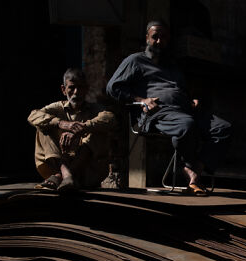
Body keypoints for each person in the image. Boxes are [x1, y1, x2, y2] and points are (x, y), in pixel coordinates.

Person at [106, 20, 231, 195]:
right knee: (187, 125)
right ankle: (189, 168)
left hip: (184, 110)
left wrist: (191, 99)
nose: (159, 41)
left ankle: (195, 168)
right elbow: (112, 87)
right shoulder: (135, 61)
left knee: (222, 128)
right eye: (155, 37)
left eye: (163, 37)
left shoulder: (172, 65)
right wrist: (142, 100)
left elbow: (179, 89)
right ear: (147, 38)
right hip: (157, 112)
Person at [28, 68, 116, 191]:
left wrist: (83, 128)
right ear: (64, 90)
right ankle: (66, 175)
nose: (76, 92)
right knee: (43, 127)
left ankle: (62, 175)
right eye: (72, 88)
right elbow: (33, 115)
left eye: (81, 88)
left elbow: (110, 118)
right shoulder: (57, 107)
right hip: (56, 166)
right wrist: (61, 123)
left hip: (87, 172)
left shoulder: (94, 109)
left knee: (99, 131)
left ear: (86, 89)